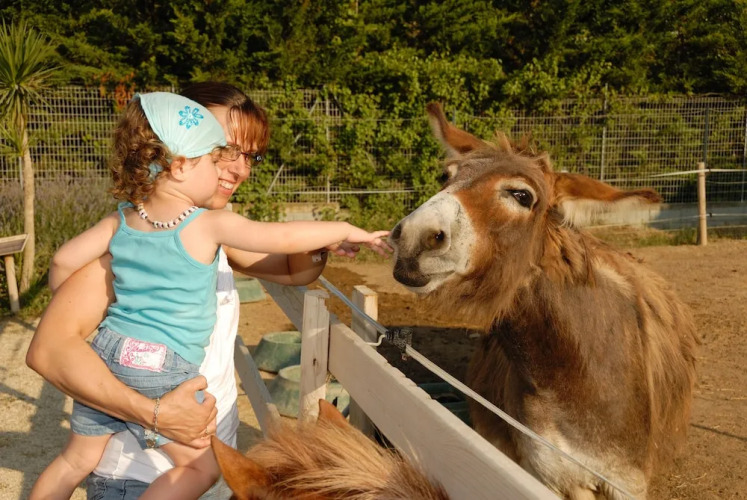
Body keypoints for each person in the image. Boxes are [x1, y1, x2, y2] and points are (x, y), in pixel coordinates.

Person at [27, 87, 389, 500]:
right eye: (224, 150)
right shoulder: (183, 236)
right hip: (141, 475)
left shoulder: (141, 227)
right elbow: (49, 350)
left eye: (250, 156)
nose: (240, 169)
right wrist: (156, 414)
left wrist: (322, 245)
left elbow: (295, 268)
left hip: (208, 453)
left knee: (73, 460)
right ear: (179, 156)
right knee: (198, 467)